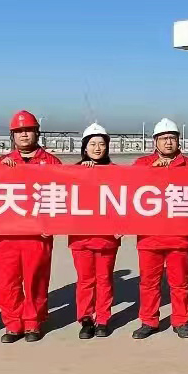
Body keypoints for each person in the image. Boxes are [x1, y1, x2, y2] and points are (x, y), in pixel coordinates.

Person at [0, 110, 62, 343]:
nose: (24, 135)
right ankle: (13, 324)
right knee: (7, 282)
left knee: (36, 280)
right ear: (12, 135)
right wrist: (1, 171)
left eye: (28, 130)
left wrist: (52, 224)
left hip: (37, 235)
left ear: (37, 133)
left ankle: (33, 323)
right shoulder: (2, 163)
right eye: (19, 131)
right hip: (8, 235)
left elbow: (62, 196)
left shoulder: (51, 162)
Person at [132, 118, 188, 340]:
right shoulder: (142, 165)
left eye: (172, 138)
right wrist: (151, 171)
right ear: (155, 141)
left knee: (180, 282)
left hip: (179, 236)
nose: (168, 142)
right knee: (148, 283)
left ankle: (181, 321)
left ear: (178, 140)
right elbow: (128, 189)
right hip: (149, 236)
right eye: (163, 138)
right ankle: (148, 321)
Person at [68, 123, 121, 339]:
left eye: (101, 144)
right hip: (81, 237)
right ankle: (86, 318)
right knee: (85, 280)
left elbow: (124, 199)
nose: (97, 148)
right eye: (92, 144)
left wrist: (122, 226)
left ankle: (103, 319)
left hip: (107, 237)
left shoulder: (116, 172)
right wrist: (82, 172)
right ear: (84, 147)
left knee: (104, 279)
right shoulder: (73, 172)